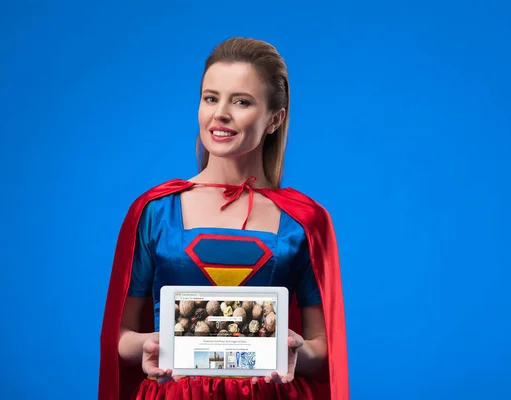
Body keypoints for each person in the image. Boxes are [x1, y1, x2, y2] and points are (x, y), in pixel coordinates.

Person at [98, 37, 348, 400]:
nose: (220, 114)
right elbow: (120, 337)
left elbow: (324, 346)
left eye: (242, 101)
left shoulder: (304, 221)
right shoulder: (156, 211)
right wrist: (151, 345)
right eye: (211, 98)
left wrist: (293, 348)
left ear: (274, 119)